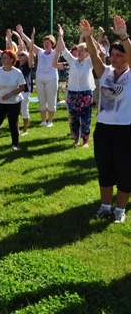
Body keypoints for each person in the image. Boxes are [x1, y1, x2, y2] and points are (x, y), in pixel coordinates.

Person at [82, 16, 131, 224]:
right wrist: (89, 38)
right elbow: (94, 57)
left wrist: (124, 36)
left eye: (120, 55)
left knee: (125, 171)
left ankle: (120, 209)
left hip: (125, 130)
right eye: (113, 54)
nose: (115, 58)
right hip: (103, 129)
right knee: (105, 169)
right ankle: (104, 206)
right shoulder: (105, 72)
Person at [56, 24, 95, 147]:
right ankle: (76, 139)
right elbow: (63, 49)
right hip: (72, 93)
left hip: (85, 93)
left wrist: (89, 36)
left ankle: (85, 141)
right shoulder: (72, 61)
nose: (78, 53)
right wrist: (61, 36)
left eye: (81, 51)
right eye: (78, 51)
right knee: (74, 118)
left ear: (87, 53)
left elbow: (95, 50)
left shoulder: (89, 62)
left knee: (86, 118)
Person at [18, 24, 58, 127]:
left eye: (48, 43)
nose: (46, 44)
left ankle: (50, 121)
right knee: (42, 100)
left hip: (52, 79)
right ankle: (43, 121)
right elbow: (30, 43)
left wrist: (61, 35)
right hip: (40, 79)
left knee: (51, 100)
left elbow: (61, 46)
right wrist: (21, 33)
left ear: (52, 44)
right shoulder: (40, 52)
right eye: (45, 43)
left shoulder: (55, 53)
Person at [0, 49, 26, 150]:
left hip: (14, 101)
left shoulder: (17, 72)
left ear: (11, 60)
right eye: (2, 58)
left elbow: (22, 87)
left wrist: (10, 94)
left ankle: (15, 144)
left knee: (13, 123)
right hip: (0, 101)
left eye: (5, 58)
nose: (3, 60)